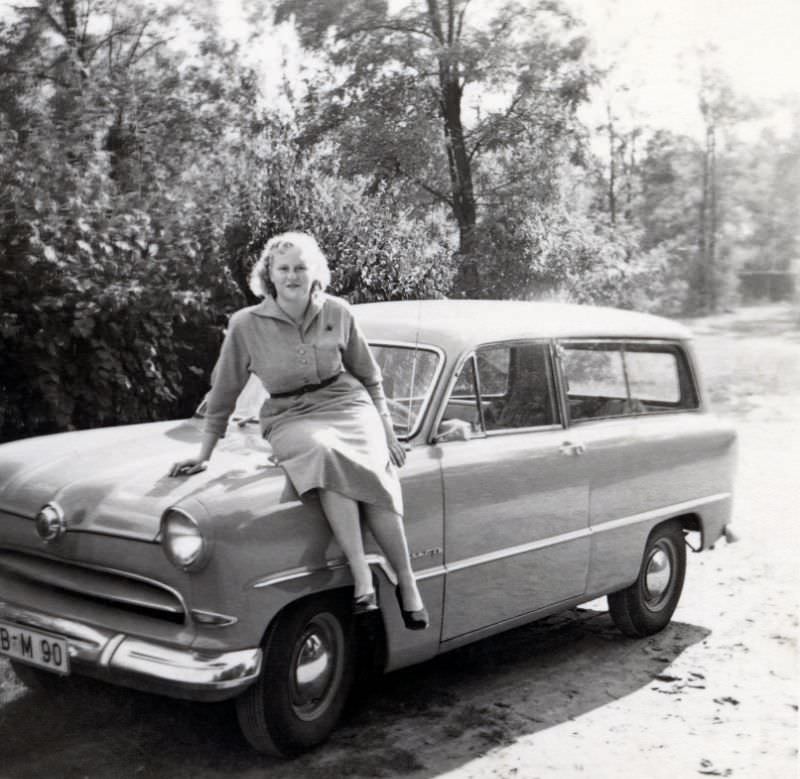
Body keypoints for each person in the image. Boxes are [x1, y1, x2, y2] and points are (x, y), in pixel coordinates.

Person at [169, 231, 428, 630]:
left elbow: (370, 377)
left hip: (347, 403)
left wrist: (387, 431)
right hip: (289, 415)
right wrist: (203, 454)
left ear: (315, 273)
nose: (292, 276)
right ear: (269, 275)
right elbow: (224, 391)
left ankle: (407, 581)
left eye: (300, 268)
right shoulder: (245, 324)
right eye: (283, 268)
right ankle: (362, 574)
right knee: (322, 450)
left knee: (375, 461)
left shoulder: (338, 312)